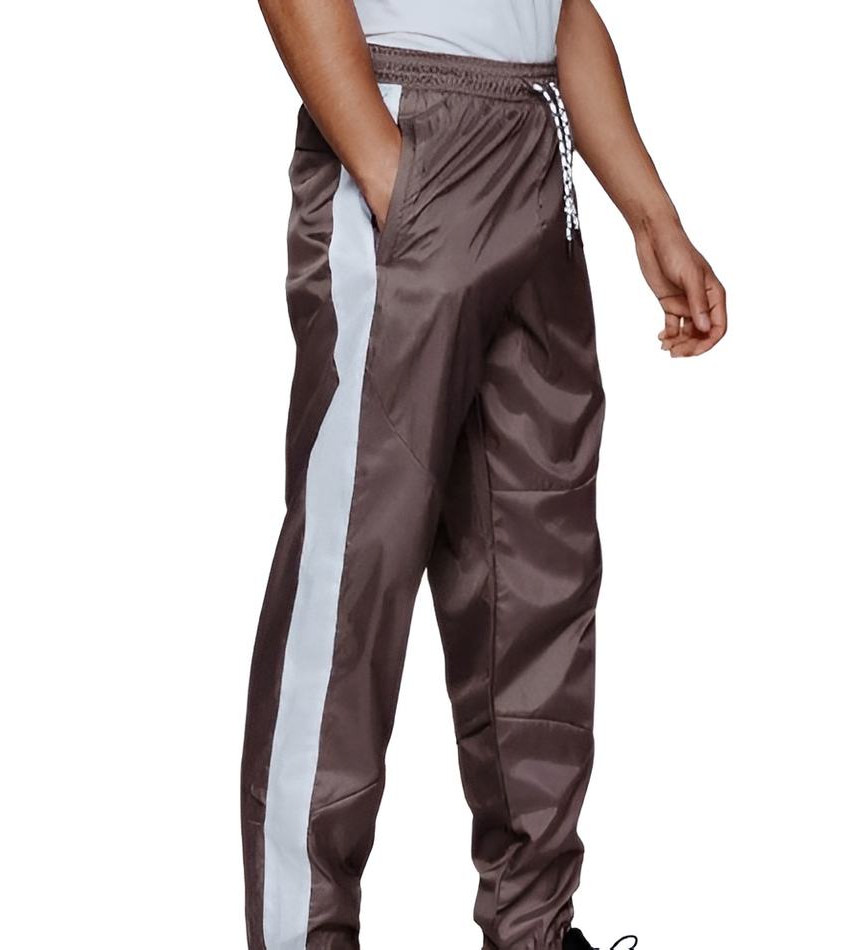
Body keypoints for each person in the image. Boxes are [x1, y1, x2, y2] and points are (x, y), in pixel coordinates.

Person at [240, 1, 727, 948]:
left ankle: (533, 931)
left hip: (534, 142)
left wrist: (651, 213)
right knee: (353, 576)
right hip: (405, 119)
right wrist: (387, 170)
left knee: (538, 572)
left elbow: (561, 11)